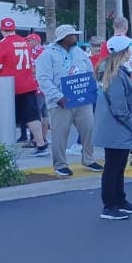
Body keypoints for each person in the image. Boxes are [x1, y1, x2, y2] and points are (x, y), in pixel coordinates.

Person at [35, 25, 101, 177]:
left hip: (82, 99)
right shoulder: (47, 55)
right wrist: (57, 96)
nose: (76, 38)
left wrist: (92, 88)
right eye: (72, 35)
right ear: (64, 38)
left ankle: (88, 159)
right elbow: (43, 79)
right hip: (60, 102)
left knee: (89, 128)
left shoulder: (80, 52)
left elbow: (90, 71)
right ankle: (60, 164)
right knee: (60, 133)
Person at [94, 36, 132, 220]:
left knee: (119, 165)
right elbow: (119, 107)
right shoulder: (114, 74)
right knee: (113, 166)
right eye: (128, 50)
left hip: (117, 127)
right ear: (122, 52)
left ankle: (119, 200)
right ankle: (109, 205)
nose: (130, 52)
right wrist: (131, 124)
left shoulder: (116, 71)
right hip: (116, 127)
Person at [0, 17, 49, 156]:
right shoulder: (24, 42)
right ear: (14, 28)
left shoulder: (0, 45)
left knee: (7, 118)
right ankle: (41, 145)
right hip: (28, 84)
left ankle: (7, 147)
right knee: (33, 116)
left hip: (9, 86)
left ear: (2, 30)